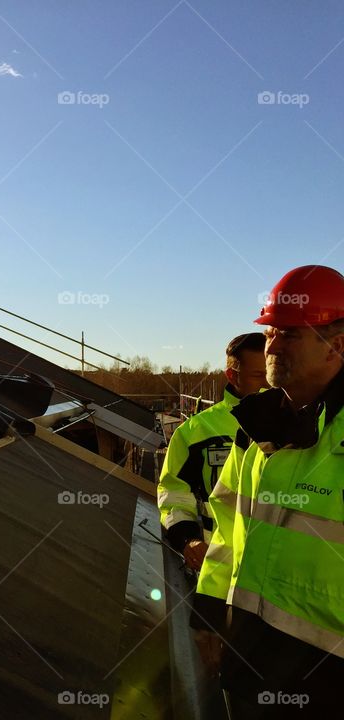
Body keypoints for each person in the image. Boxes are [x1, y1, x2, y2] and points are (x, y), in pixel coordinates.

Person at [192, 265, 344, 717]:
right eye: (272, 332)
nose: (272, 346)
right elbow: (226, 530)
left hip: (327, 682)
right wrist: (208, 614)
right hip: (249, 663)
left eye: (290, 335)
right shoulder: (255, 427)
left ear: (336, 346)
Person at [157, 333, 267, 570]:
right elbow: (174, 493)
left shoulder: (305, 425)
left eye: (272, 372)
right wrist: (188, 539)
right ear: (232, 375)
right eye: (259, 375)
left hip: (282, 571)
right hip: (222, 566)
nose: (269, 383)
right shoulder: (195, 432)